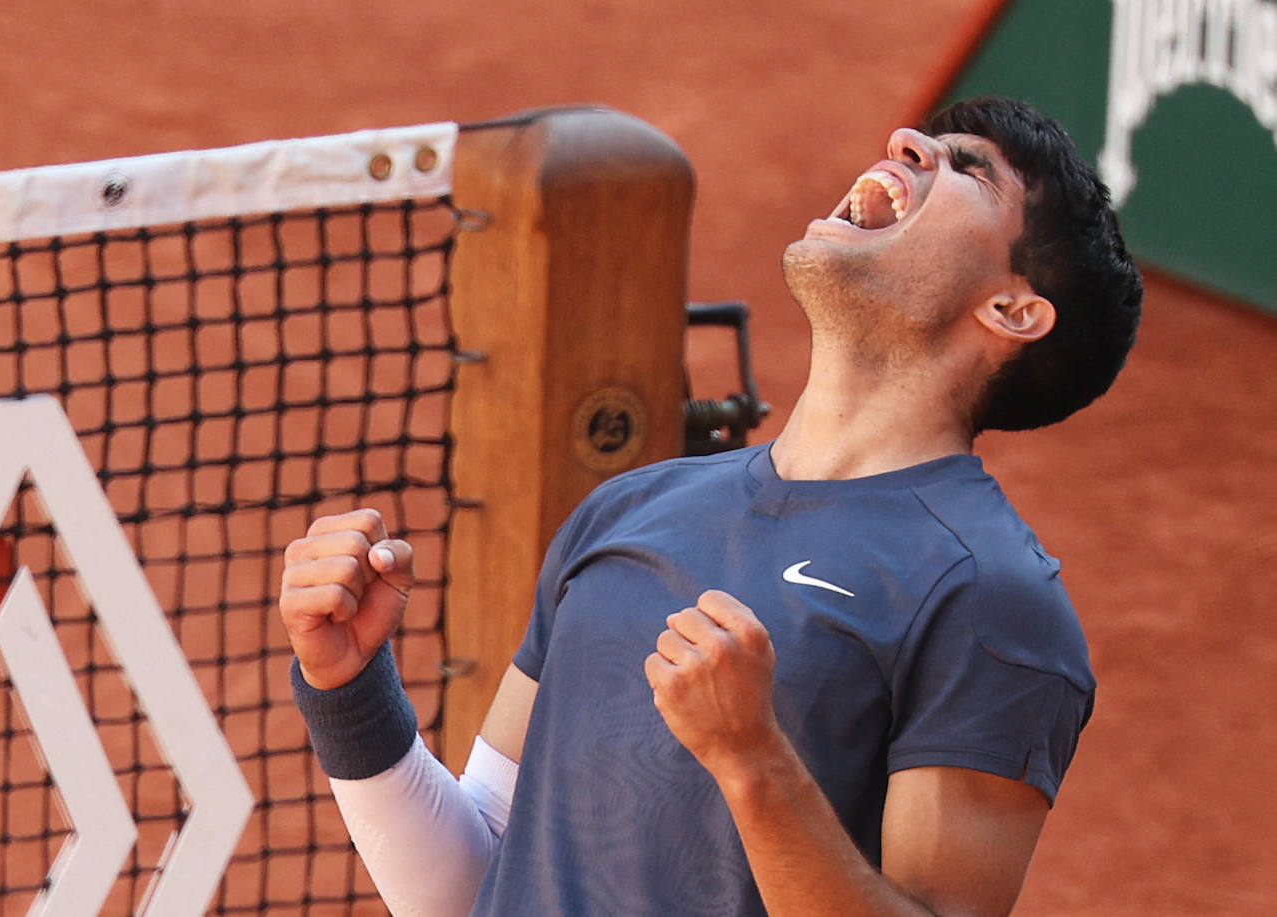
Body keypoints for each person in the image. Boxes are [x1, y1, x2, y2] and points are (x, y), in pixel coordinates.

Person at [281, 96, 1143, 916]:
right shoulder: (628, 510)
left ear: (1013, 309)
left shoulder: (989, 596)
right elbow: (479, 881)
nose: (909, 144)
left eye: (970, 170)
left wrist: (754, 759)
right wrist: (349, 687)